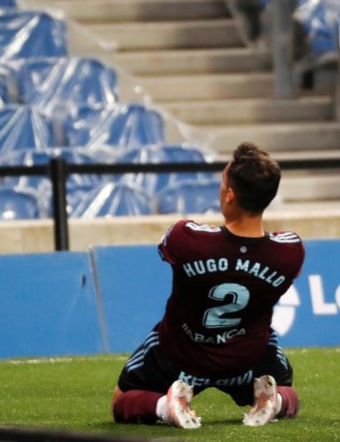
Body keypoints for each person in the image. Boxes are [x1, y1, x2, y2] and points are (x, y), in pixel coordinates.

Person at [110, 142, 303, 429]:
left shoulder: (185, 238)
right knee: (290, 393)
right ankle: (274, 402)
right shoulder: (289, 251)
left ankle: (167, 406)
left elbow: (172, 248)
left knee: (120, 401)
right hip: (248, 358)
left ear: (230, 194)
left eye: (223, 181)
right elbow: (255, 249)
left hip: (182, 354)